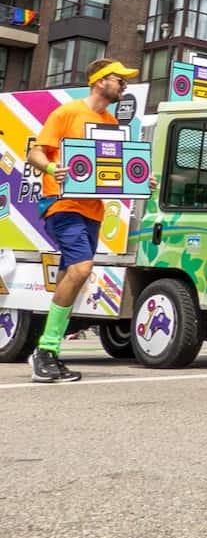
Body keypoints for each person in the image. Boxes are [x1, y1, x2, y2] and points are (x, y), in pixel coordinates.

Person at [27, 58, 145, 383]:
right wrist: (52, 168)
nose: (124, 85)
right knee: (81, 269)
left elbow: (112, 170)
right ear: (99, 81)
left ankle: (46, 353)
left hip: (93, 211)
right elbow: (35, 153)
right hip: (63, 205)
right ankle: (46, 351)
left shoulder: (109, 122)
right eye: (119, 79)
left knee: (72, 275)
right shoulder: (67, 113)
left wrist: (139, 181)